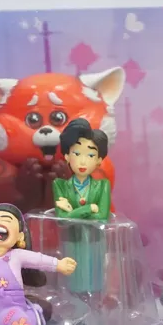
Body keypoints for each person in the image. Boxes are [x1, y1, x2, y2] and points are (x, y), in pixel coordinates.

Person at [52, 118, 111, 297]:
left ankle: (94, 304)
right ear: (67, 156)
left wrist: (72, 213)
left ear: (99, 160)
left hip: (95, 242)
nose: (83, 161)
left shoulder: (102, 185)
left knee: (95, 282)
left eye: (90, 155)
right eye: (77, 153)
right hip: (71, 242)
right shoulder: (60, 185)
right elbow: (62, 220)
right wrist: (87, 209)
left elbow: (102, 217)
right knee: (72, 281)